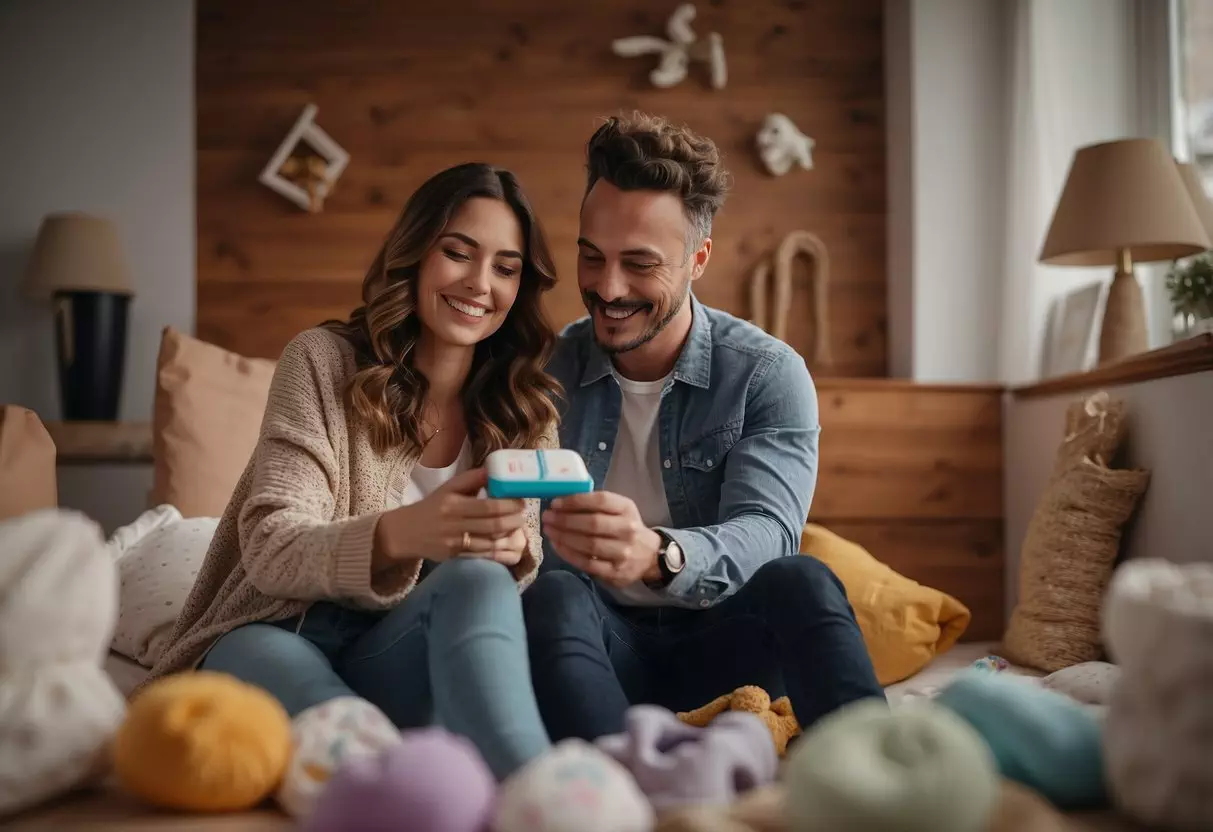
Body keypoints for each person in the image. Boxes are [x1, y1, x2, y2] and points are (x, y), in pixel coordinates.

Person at [146, 163, 562, 780]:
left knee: (482, 583)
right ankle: (401, 789)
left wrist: (511, 555)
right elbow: (270, 547)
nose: (479, 283)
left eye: (505, 267)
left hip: (392, 652)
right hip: (276, 630)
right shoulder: (321, 361)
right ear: (417, 254)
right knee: (354, 745)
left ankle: (546, 796)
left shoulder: (525, 410)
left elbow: (497, 606)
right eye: (458, 252)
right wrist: (403, 533)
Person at [523, 113, 885, 743]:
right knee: (553, 593)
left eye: (640, 264)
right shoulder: (543, 373)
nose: (608, 287)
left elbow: (770, 533)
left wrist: (659, 553)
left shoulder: (766, 374)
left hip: (730, 648)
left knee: (802, 577)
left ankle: (888, 780)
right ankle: (615, 792)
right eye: (591, 257)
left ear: (698, 260)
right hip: (600, 651)